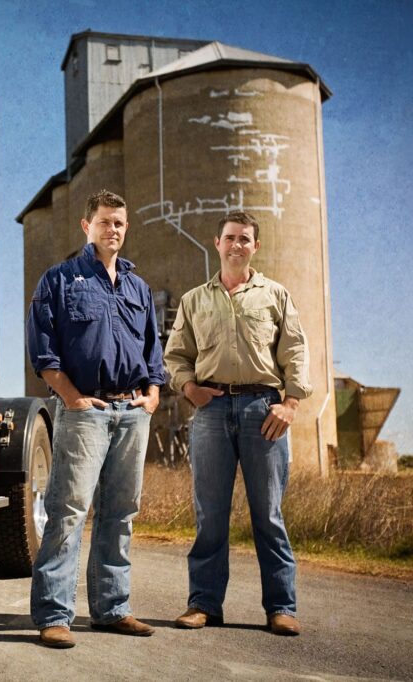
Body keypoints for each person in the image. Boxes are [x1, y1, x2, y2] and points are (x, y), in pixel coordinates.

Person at [25, 189, 165, 648]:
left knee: (121, 512)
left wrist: (152, 394)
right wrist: (74, 399)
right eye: (105, 222)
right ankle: (54, 614)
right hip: (86, 412)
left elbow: (152, 348)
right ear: (87, 226)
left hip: (132, 412)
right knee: (69, 510)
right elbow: (44, 354)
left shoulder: (137, 287)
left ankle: (111, 608)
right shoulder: (60, 280)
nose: (113, 230)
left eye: (120, 223)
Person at [164, 211, 311, 636]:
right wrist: (188, 388)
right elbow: (175, 356)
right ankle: (203, 604)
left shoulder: (275, 295)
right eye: (230, 238)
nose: (236, 246)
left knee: (268, 513)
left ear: (255, 246)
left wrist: (292, 403)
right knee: (210, 515)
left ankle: (281, 607)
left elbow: (296, 351)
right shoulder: (195, 300)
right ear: (217, 243)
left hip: (263, 411)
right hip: (210, 411)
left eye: (244, 239)